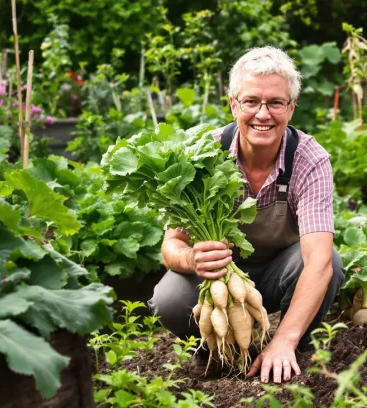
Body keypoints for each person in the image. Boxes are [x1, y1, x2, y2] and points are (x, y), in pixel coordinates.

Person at [147, 46, 344, 384]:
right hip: (217, 276)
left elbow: (319, 261)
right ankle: (214, 349)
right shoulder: (204, 155)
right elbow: (171, 245)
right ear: (233, 104)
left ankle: (290, 347)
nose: (263, 114)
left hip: (279, 273)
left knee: (330, 264)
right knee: (168, 298)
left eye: (276, 103)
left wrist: (283, 338)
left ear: (291, 107)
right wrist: (193, 259)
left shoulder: (309, 160)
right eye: (252, 101)